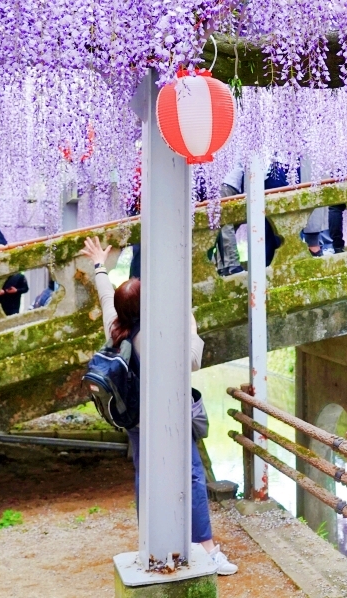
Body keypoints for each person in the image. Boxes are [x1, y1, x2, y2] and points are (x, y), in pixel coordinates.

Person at [81, 236, 237, 576]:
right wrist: (190, 324)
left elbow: (107, 294)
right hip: (167, 419)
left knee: (145, 478)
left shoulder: (116, 326)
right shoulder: (153, 337)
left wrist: (99, 265)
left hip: (135, 420)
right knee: (193, 477)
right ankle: (208, 550)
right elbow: (191, 361)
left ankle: (151, 543)